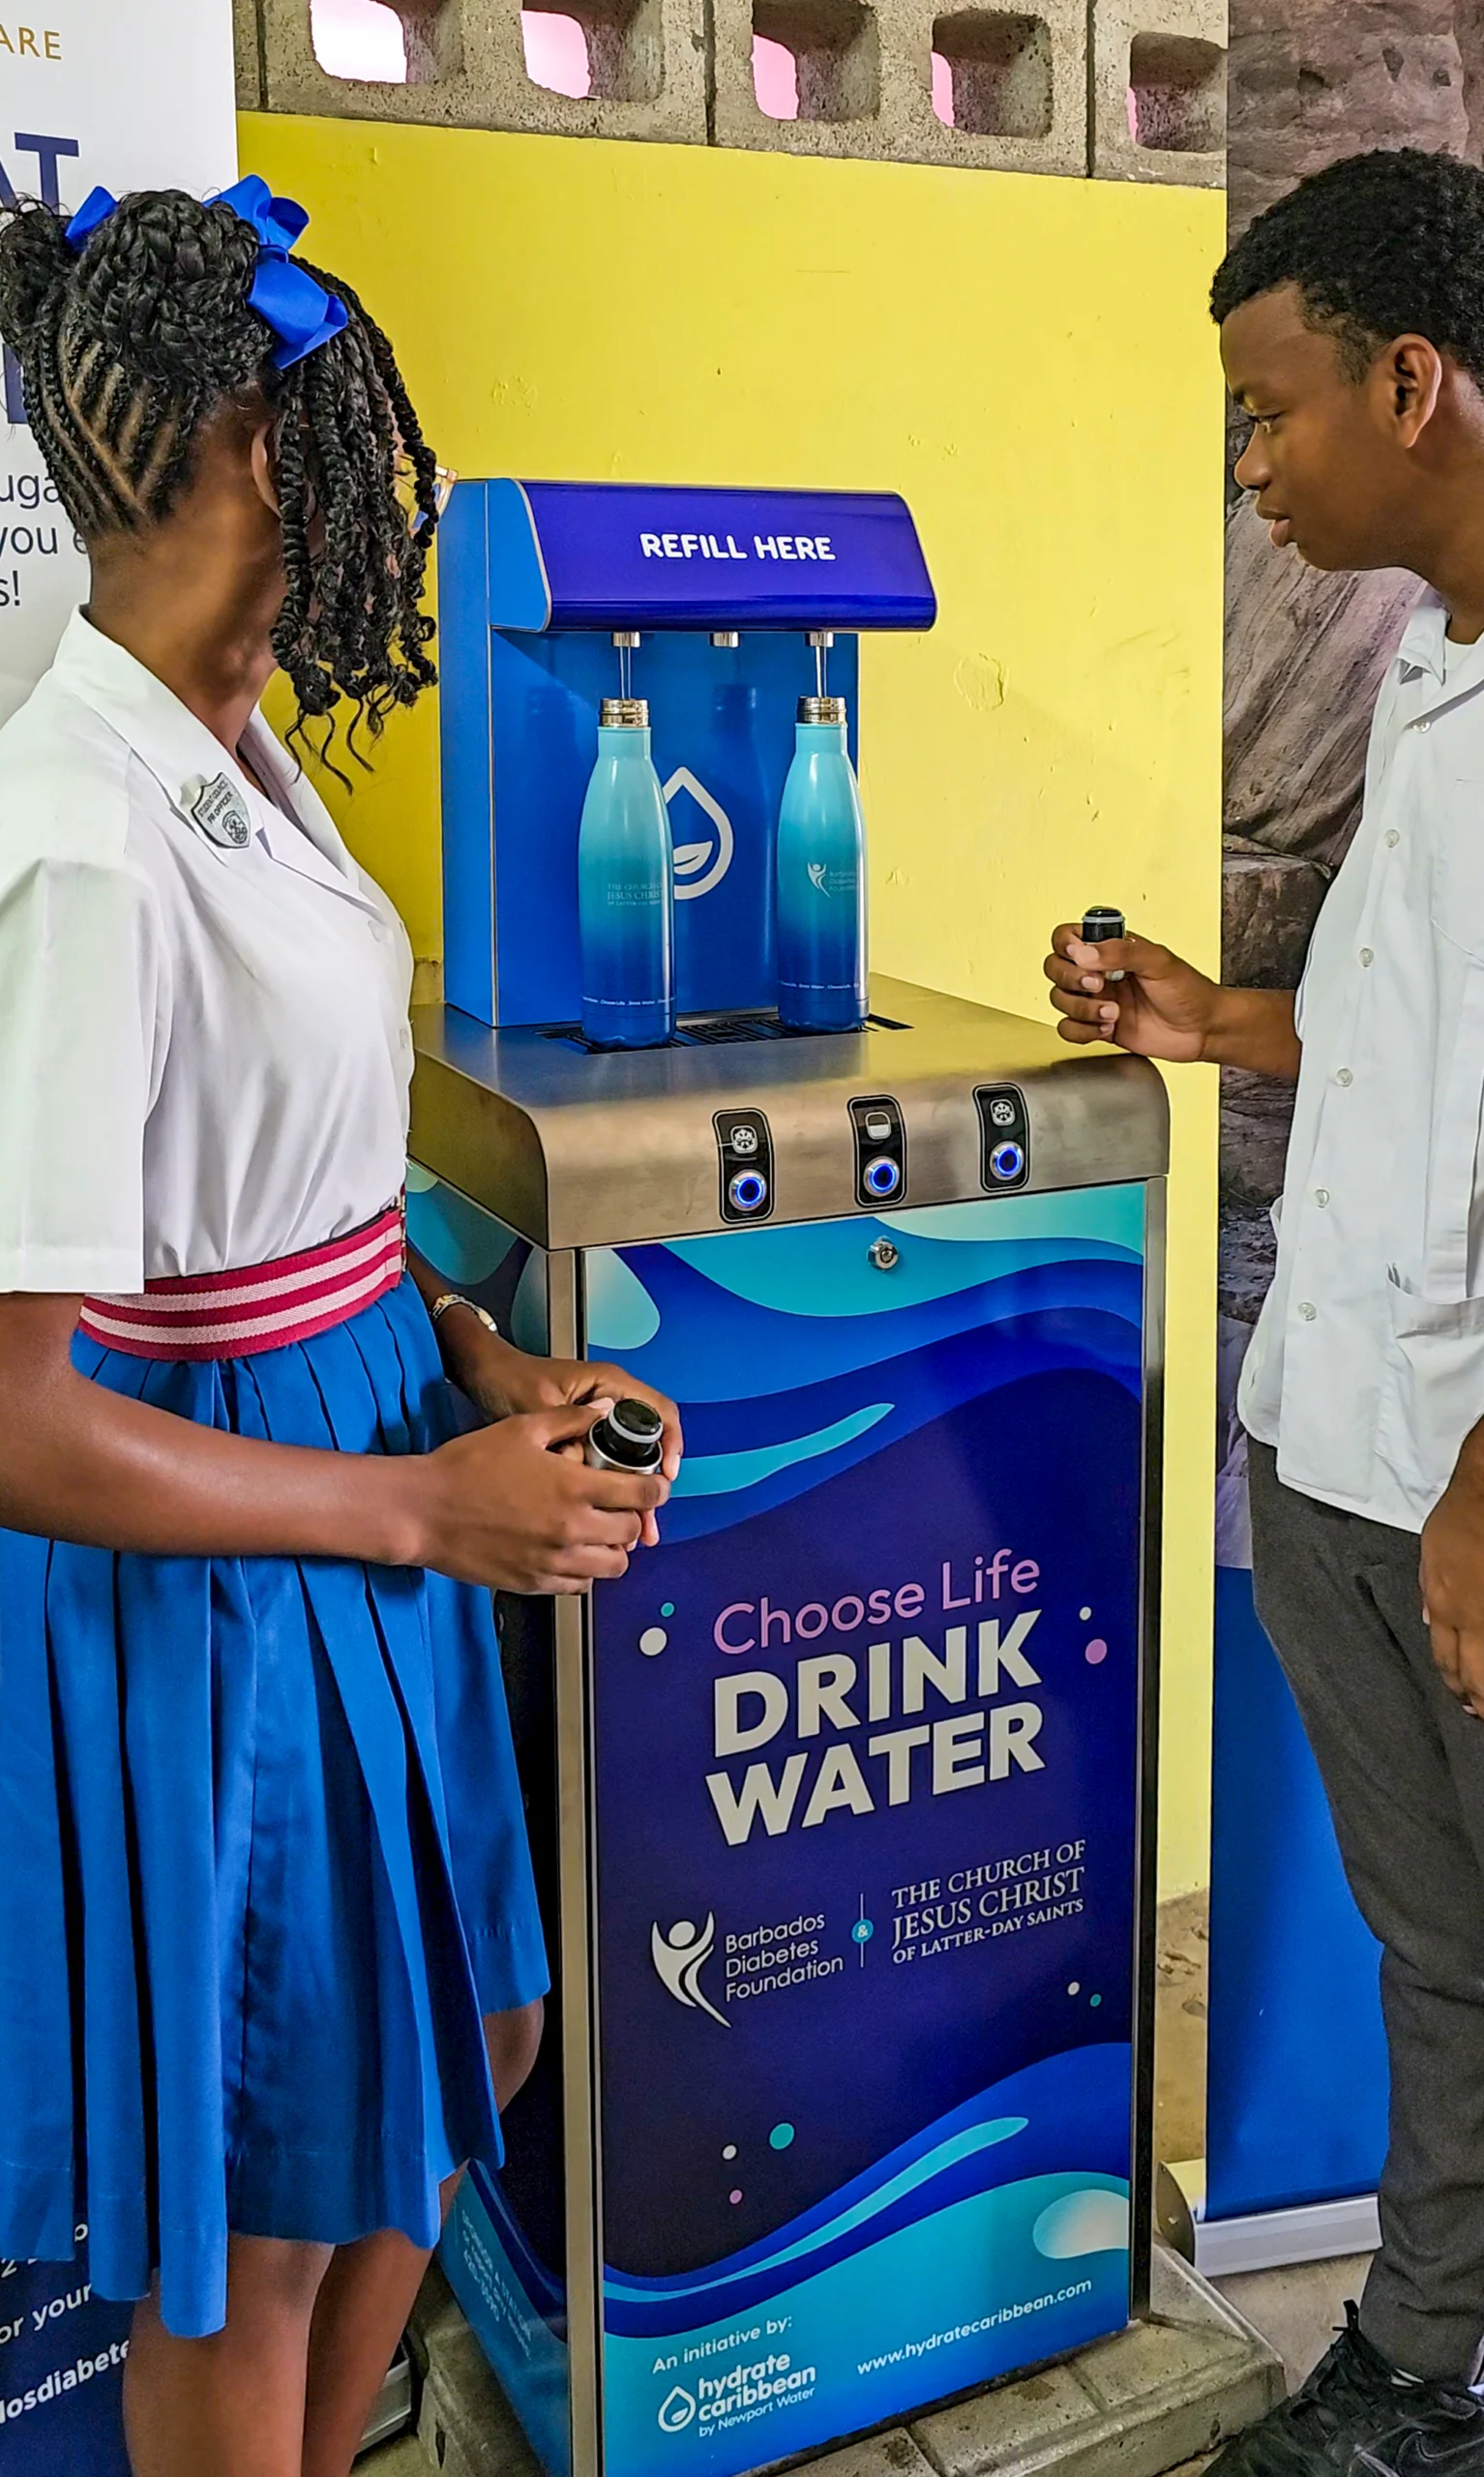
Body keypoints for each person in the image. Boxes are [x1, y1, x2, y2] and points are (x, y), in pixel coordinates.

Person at [0, 179, 680, 2477]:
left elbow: (304, 1189)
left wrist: (484, 1372)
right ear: (239, 449)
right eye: (347, 433)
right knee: (258, 2210)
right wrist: (416, 1499)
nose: (388, 487)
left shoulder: (244, 756)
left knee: (478, 2024)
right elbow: (0, 1414)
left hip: (377, 1453)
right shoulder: (71, 836)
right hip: (228, 1561)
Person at [1046, 147, 1484, 2477]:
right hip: (1339, 1446)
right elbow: (1412, 1028)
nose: (1248, 469)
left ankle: (1431, 2371)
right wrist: (1217, 1016)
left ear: (1412, 381)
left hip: (1460, 1487)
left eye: (1267, 412)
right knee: (1445, 1953)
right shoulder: (1438, 661)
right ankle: (1428, 2363)